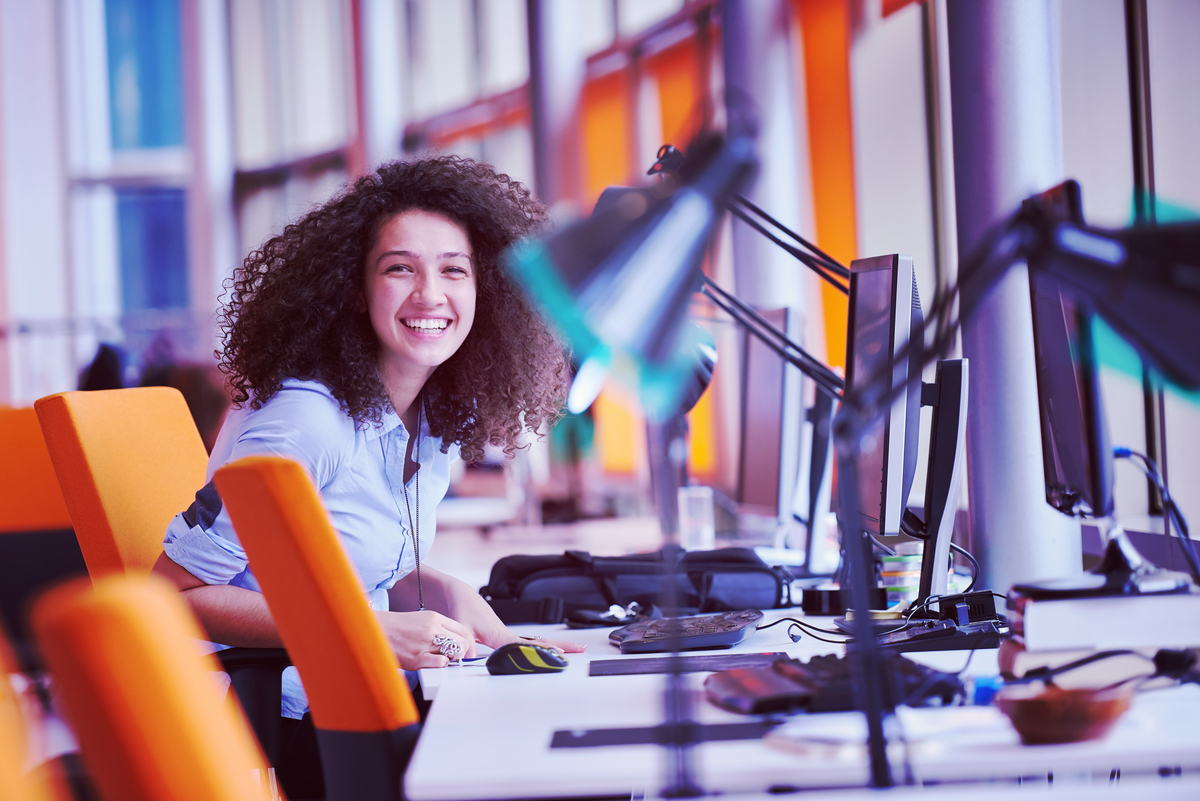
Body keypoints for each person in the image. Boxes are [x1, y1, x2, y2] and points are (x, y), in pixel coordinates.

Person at [152, 158, 584, 790]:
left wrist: (450, 595)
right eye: (400, 268)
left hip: (378, 695)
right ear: (355, 290)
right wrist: (368, 628)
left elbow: (340, 558)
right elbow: (172, 599)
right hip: (308, 723)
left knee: (574, 740)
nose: (430, 294)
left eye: (453, 270)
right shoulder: (307, 422)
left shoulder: (429, 416)